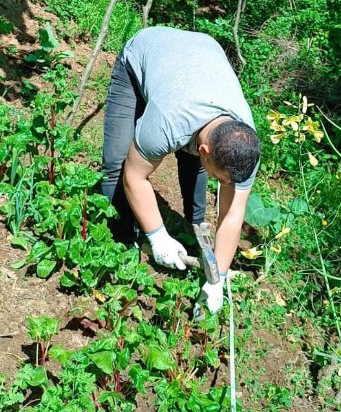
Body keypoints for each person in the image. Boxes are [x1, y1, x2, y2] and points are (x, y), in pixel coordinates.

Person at [99, 25, 261, 316]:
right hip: (144, 56)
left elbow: (233, 212)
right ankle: (122, 241)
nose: (221, 184)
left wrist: (219, 279)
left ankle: (195, 227)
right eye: (219, 179)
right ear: (205, 151)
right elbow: (135, 177)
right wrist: (158, 237)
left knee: (196, 163)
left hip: (200, 56)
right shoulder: (166, 124)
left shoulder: (244, 144)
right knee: (118, 163)